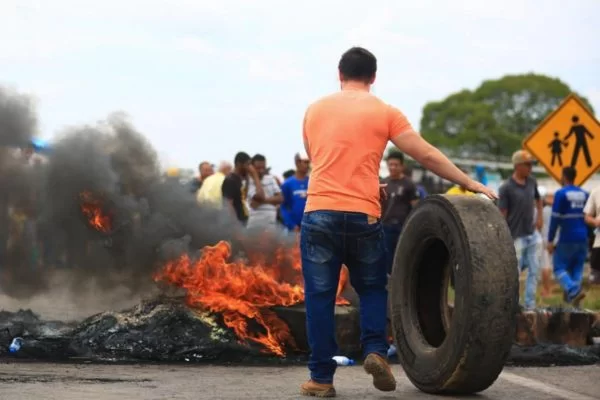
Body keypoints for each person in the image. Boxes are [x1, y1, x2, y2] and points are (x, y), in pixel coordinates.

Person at [298, 46, 495, 397]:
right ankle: (374, 350)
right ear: (373, 78)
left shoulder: (314, 111)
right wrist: (468, 181)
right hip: (364, 214)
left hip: (319, 213)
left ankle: (321, 379)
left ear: (339, 74)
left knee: (320, 298)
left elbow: (323, 160)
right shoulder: (385, 112)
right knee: (373, 288)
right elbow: (426, 153)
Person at [498, 150, 543, 311]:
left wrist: (540, 218)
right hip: (515, 235)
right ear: (518, 166)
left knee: (534, 270)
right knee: (514, 273)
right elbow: (502, 213)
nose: (530, 168)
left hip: (532, 234)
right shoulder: (506, 188)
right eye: (528, 165)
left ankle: (530, 305)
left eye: (531, 165)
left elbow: (538, 200)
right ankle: (512, 304)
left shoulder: (532, 182)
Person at [547, 167, 589, 306]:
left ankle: (573, 289)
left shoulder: (561, 193)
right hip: (583, 237)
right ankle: (575, 304)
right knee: (577, 269)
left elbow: (555, 218)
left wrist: (550, 239)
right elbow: (589, 216)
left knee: (558, 268)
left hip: (567, 237)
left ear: (564, 176)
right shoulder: (584, 194)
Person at [380, 151, 418, 274]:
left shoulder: (409, 184)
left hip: (402, 226)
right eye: (390, 164)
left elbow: (415, 206)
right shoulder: (384, 183)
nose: (393, 167)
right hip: (385, 225)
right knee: (386, 256)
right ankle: (388, 282)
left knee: (402, 255)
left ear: (402, 166)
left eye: (396, 165)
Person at [222, 152, 260, 225]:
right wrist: (235, 225)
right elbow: (228, 204)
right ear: (239, 164)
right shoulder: (230, 180)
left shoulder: (241, 179)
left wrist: (249, 176)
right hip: (238, 223)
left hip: (245, 219)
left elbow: (244, 198)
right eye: (247, 164)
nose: (249, 168)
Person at [246, 154, 283, 230]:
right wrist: (255, 176)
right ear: (252, 168)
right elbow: (260, 196)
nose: (261, 170)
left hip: (270, 224)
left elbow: (280, 198)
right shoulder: (248, 181)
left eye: (263, 167)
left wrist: (262, 201)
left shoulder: (270, 178)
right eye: (258, 168)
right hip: (255, 225)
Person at [280, 152, 310, 232]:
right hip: (294, 229)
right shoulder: (287, 184)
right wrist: (291, 225)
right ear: (297, 162)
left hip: (311, 227)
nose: (308, 165)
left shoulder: (313, 183)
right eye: (306, 162)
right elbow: (284, 207)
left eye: (309, 162)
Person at [538, 188, 555, 297]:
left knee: (545, 267)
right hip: (550, 241)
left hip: (544, 240)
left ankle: (547, 290)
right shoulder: (550, 210)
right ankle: (547, 290)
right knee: (547, 267)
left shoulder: (541, 211)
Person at [584, 185, 600, 285]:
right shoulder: (596, 191)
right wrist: (595, 222)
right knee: (595, 280)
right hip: (599, 243)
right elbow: (587, 217)